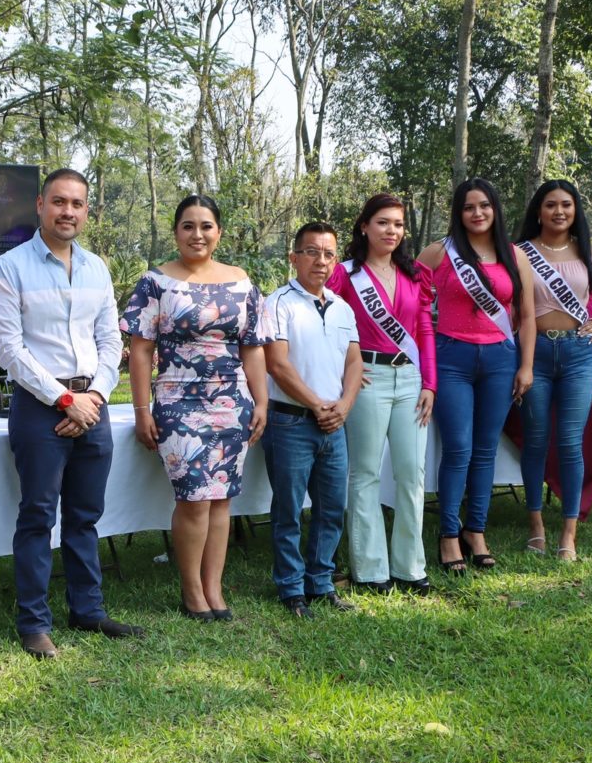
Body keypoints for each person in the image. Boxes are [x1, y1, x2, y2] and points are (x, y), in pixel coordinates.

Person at [0, 168, 142, 660]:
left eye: (76, 203)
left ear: (86, 211)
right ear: (40, 205)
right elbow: (10, 350)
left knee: (85, 515)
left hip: (93, 404)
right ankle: (34, 623)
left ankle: (88, 610)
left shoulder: (97, 269)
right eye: (58, 201)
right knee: (37, 516)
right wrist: (64, 399)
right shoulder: (10, 267)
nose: (67, 211)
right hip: (39, 408)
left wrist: (93, 396)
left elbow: (110, 340)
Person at [122, 195, 266, 622]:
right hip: (178, 402)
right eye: (188, 226)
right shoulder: (156, 282)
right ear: (176, 232)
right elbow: (140, 351)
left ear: (219, 232)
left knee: (221, 499)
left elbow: (252, 347)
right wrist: (142, 409)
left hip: (232, 402)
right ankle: (191, 591)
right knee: (194, 500)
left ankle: (214, 588)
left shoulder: (241, 281)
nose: (197, 234)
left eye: (206, 226)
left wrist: (260, 401)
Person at [514, 180, 592, 559]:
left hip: (578, 354)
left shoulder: (590, 253)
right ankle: (536, 525)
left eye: (566, 205)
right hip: (534, 353)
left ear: (575, 210)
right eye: (551, 204)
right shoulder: (520, 252)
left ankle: (568, 533)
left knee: (570, 442)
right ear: (539, 211)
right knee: (536, 441)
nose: (559, 211)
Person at [416, 179, 535, 573]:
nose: (478, 213)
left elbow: (527, 315)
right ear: (459, 212)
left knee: (486, 450)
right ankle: (449, 534)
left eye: (484, 205)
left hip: (501, 359)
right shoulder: (438, 252)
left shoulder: (514, 255)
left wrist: (526, 365)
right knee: (458, 449)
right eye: (469, 207)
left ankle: (476, 530)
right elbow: (407, 297)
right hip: (452, 358)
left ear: (495, 209)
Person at [330, 194, 435, 593]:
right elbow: (330, 324)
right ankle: (370, 568)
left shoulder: (415, 274)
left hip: (410, 379)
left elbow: (423, 329)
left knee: (412, 473)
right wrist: (347, 369)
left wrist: (430, 383)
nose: (392, 231)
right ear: (364, 226)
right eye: (383, 222)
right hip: (368, 378)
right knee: (366, 473)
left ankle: (410, 567)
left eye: (398, 224)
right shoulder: (345, 275)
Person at [262, 223, 362, 617]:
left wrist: (344, 405)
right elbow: (277, 364)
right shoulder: (278, 303)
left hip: (334, 424)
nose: (321, 260)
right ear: (294, 258)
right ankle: (291, 588)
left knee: (332, 507)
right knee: (288, 510)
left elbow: (354, 362)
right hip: (290, 422)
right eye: (311, 252)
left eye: (328, 254)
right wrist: (317, 405)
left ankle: (321, 582)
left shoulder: (342, 307)